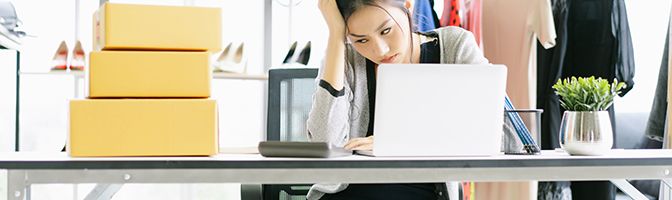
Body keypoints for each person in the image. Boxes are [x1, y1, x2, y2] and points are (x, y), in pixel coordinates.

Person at [306, 0, 488, 199]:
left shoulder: (455, 46)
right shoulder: (343, 58)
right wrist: (335, 36)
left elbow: (501, 135)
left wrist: (396, 143)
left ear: (408, 6)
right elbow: (324, 145)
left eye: (385, 31)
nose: (381, 50)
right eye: (361, 40)